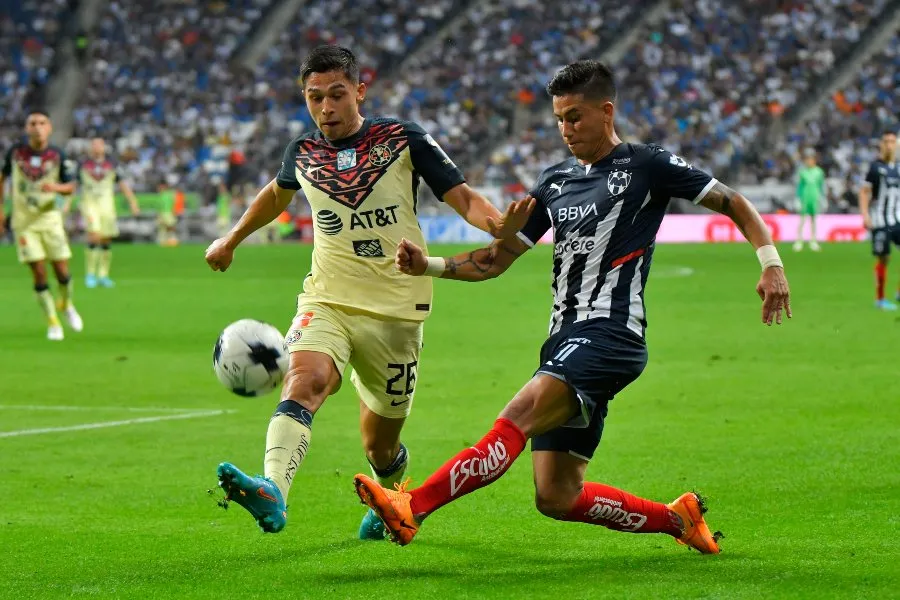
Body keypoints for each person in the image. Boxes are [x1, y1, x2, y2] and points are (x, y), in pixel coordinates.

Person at [353, 60, 792, 554]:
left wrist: (771, 263)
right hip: (563, 339)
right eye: (559, 119)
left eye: (575, 117)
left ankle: (412, 506)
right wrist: (428, 265)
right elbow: (495, 260)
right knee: (556, 495)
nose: (566, 129)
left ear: (607, 112)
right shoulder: (555, 182)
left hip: (610, 334)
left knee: (516, 416)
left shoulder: (646, 165)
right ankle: (678, 519)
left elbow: (733, 201)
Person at [204, 45, 531, 537]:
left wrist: (498, 226)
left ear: (360, 91)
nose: (326, 108)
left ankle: (388, 498)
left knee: (380, 446)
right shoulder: (302, 152)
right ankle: (273, 489)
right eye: (315, 97)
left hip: (397, 312)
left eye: (337, 94)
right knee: (306, 380)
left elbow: (462, 197)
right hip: (327, 298)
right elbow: (276, 194)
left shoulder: (401, 139)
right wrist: (231, 239)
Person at [0, 111, 83, 340]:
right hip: (24, 222)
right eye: (33, 123)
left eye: (42, 123)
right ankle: (53, 322)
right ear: (26, 129)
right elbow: (2, 178)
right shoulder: (15, 153)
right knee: (38, 271)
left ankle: (66, 303)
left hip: (50, 219)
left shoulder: (57, 154)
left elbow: (71, 186)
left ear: (49, 128)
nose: (37, 127)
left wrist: (55, 188)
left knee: (62, 271)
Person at [64, 138, 140, 288]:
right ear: (90, 148)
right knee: (94, 235)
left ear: (104, 147)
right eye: (94, 145)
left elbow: (122, 184)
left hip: (107, 206)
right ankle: (90, 274)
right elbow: (74, 185)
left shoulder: (112, 164)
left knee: (106, 239)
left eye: (100, 145)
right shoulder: (83, 164)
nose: (97, 147)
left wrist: (132, 202)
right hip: (89, 204)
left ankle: (103, 275)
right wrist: (67, 203)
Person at [859, 131, 900, 310]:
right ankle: (880, 299)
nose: (890, 145)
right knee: (884, 258)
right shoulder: (875, 167)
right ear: (882, 145)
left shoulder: (898, 167)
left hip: (897, 218)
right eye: (886, 141)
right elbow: (864, 192)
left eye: (892, 141)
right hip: (880, 221)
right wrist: (865, 215)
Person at [793, 149, 826, 251]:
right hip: (805, 198)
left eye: (810, 159)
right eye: (807, 159)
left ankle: (813, 240)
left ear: (814, 160)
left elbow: (821, 186)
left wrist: (823, 198)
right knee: (802, 219)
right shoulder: (803, 172)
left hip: (814, 198)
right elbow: (800, 186)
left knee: (813, 219)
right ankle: (799, 240)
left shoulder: (819, 172)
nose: (808, 161)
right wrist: (797, 198)